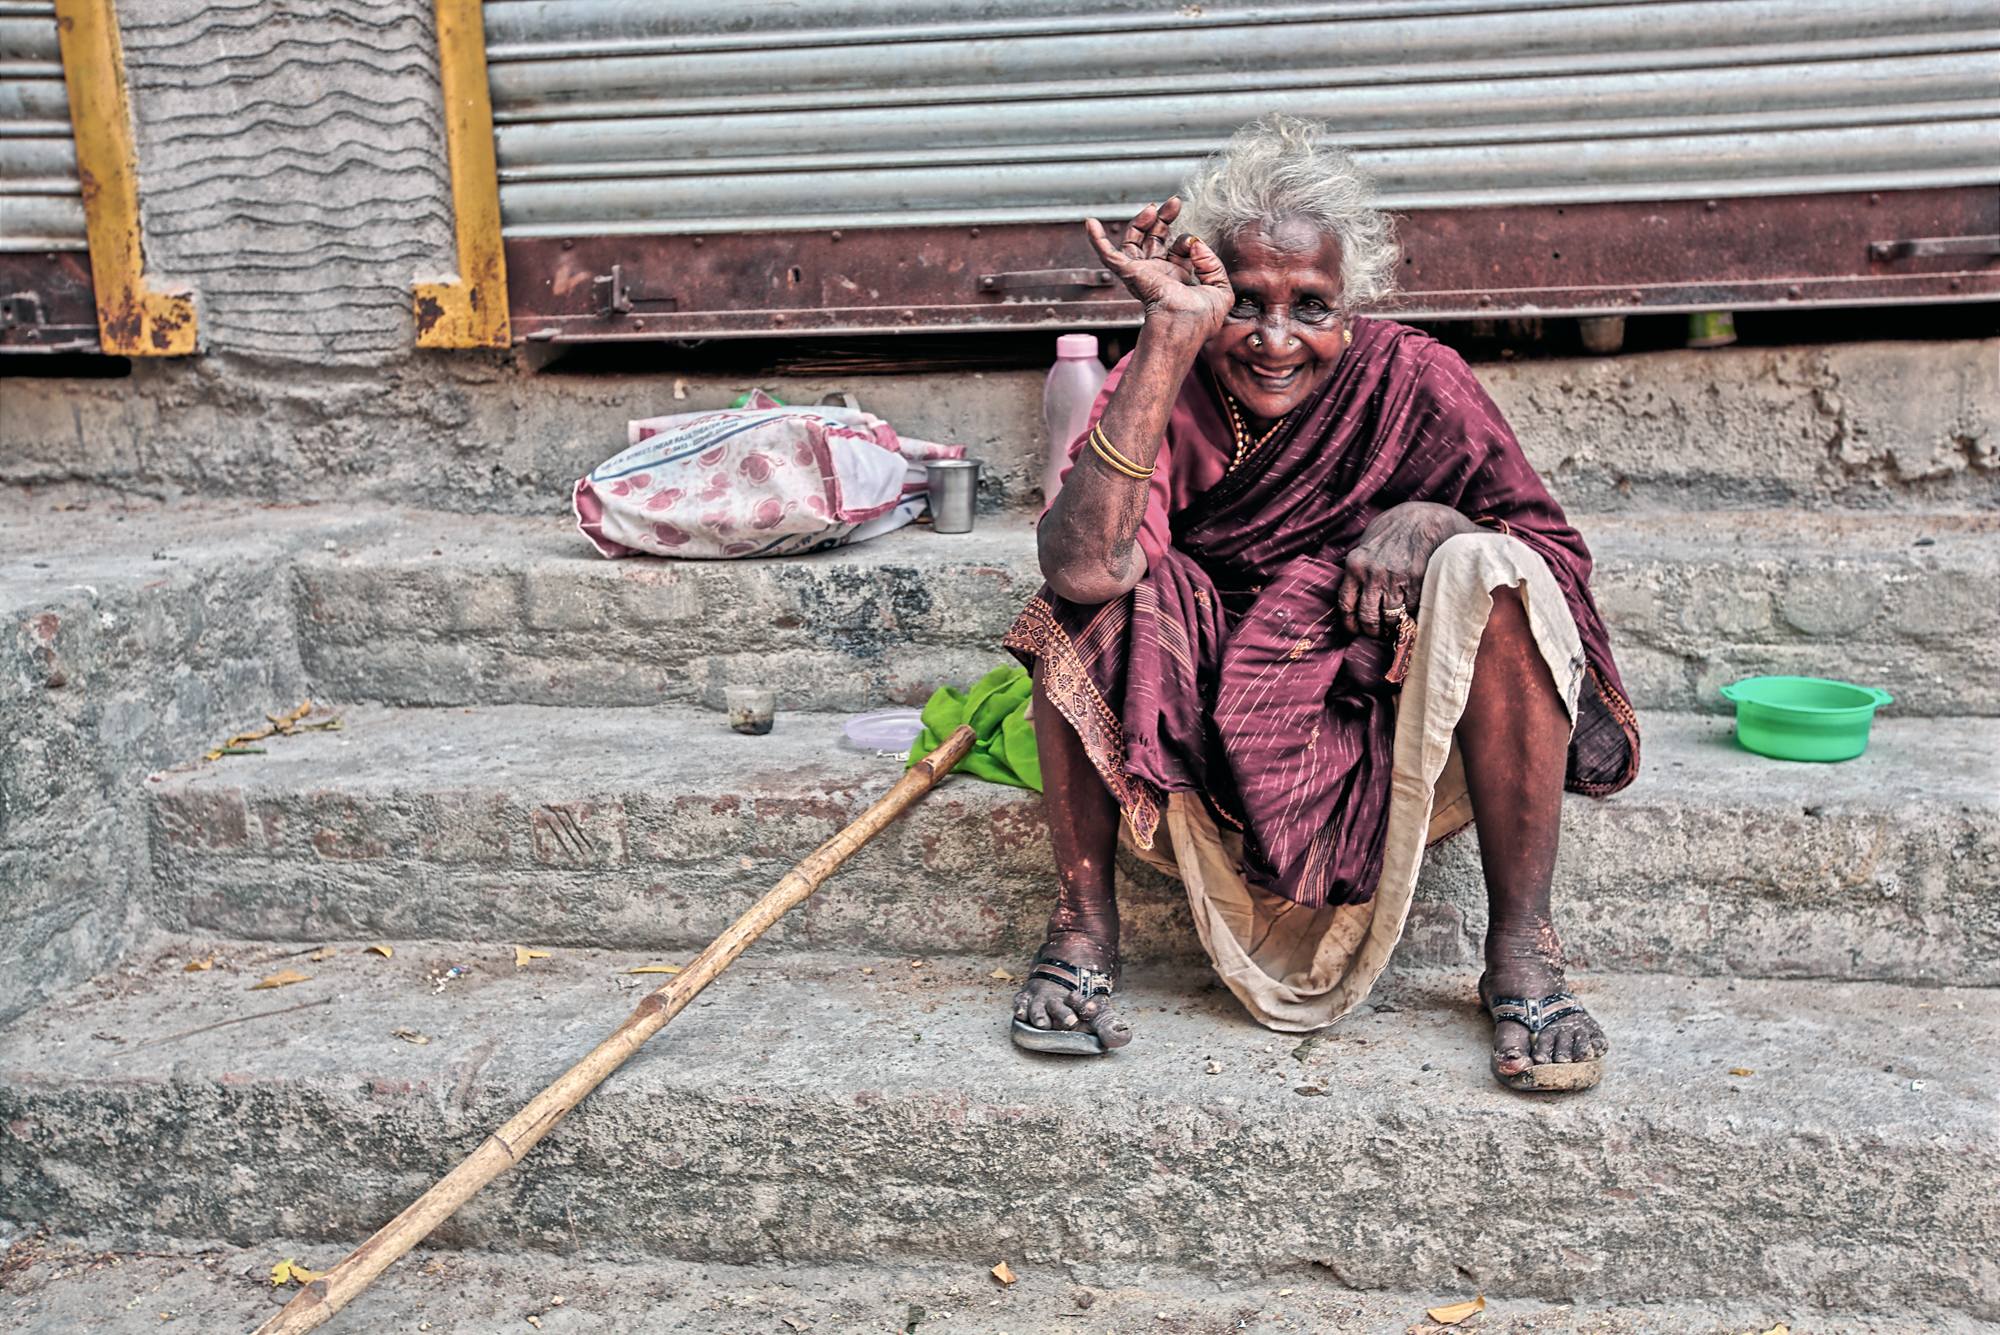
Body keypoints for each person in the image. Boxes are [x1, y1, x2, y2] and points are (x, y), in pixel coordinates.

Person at [1001, 114, 1640, 1092]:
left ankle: (1523, 948)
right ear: (1205, 293)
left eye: (1310, 307)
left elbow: (1554, 558)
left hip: (1378, 694)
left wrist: (1432, 524)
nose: (1271, 339)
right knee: (1096, 592)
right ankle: (1082, 922)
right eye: (1243, 303)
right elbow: (1081, 570)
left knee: (1493, 570)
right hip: (1201, 704)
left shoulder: (1413, 378)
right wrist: (1168, 337)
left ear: (1354, 306)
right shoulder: (1165, 371)